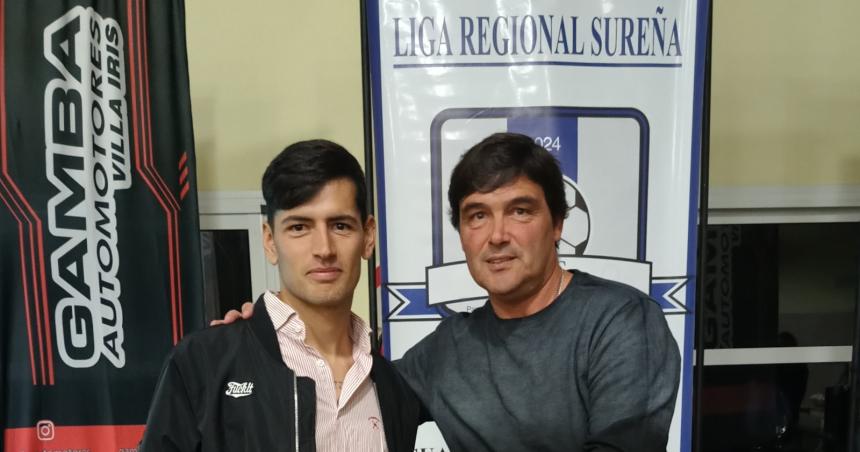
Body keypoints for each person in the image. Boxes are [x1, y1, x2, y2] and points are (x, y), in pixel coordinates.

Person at [220, 133, 680, 451]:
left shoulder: (620, 321)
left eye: (519, 211)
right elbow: (354, 398)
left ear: (558, 223)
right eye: (477, 216)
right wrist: (259, 341)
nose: (497, 236)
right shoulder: (446, 351)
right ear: (461, 234)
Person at [140, 140, 421, 451]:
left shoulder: (392, 385)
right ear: (270, 241)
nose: (324, 249)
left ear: (368, 237)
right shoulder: (204, 363)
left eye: (340, 225)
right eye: (299, 227)